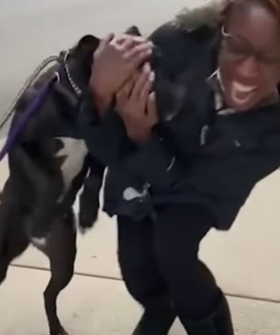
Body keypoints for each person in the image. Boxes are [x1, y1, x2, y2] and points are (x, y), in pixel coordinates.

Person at [79, 0, 280, 334]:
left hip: (198, 189)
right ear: (221, 27)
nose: (247, 70)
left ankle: (209, 326)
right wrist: (100, 95)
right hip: (137, 168)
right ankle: (160, 308)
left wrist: (142, 135)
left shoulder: (273, 129)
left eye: (271, 57)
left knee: (173, 250)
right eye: (237, 47)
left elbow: (197, 185)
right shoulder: (175, 45)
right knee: (136, 268)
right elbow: (107, 147)